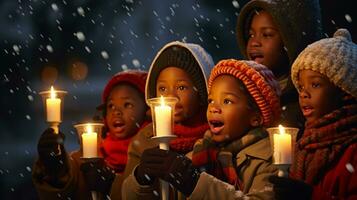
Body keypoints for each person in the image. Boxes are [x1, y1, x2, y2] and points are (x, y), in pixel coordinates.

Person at [134, 59, 282, 199]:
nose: (214, 108)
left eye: (227, 101)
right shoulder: (200, 153)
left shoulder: (271, 159)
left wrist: (195, 185)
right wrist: (143, 180)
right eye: (211, 100)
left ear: (256, 117)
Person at [117, 41, 214, 200]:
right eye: (162, 88)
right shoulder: (145, 141)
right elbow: (125, 195)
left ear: (201, 92)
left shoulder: (215, 137)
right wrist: (141, 178)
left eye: (181, 87)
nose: (171, 97)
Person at [32, 70, 149, 200]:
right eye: (110, 106)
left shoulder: (151, 153)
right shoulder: (93, 152)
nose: (116, 111)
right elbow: (66, 187)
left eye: (127, 104)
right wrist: (55, 167)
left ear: (147, 110)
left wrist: (111, 184)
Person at [271, 29, 357, 200]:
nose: (303, 94)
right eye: (301, 87)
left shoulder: (352, 151)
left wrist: (310, 196)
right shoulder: (305, 143)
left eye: (315, 85)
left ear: (344, 90)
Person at [236, 0, 323, 130]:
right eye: (251, 35)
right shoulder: (241, 97)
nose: (254, 42)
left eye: (267, 35)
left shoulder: (304, 108)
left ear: (291, 41)